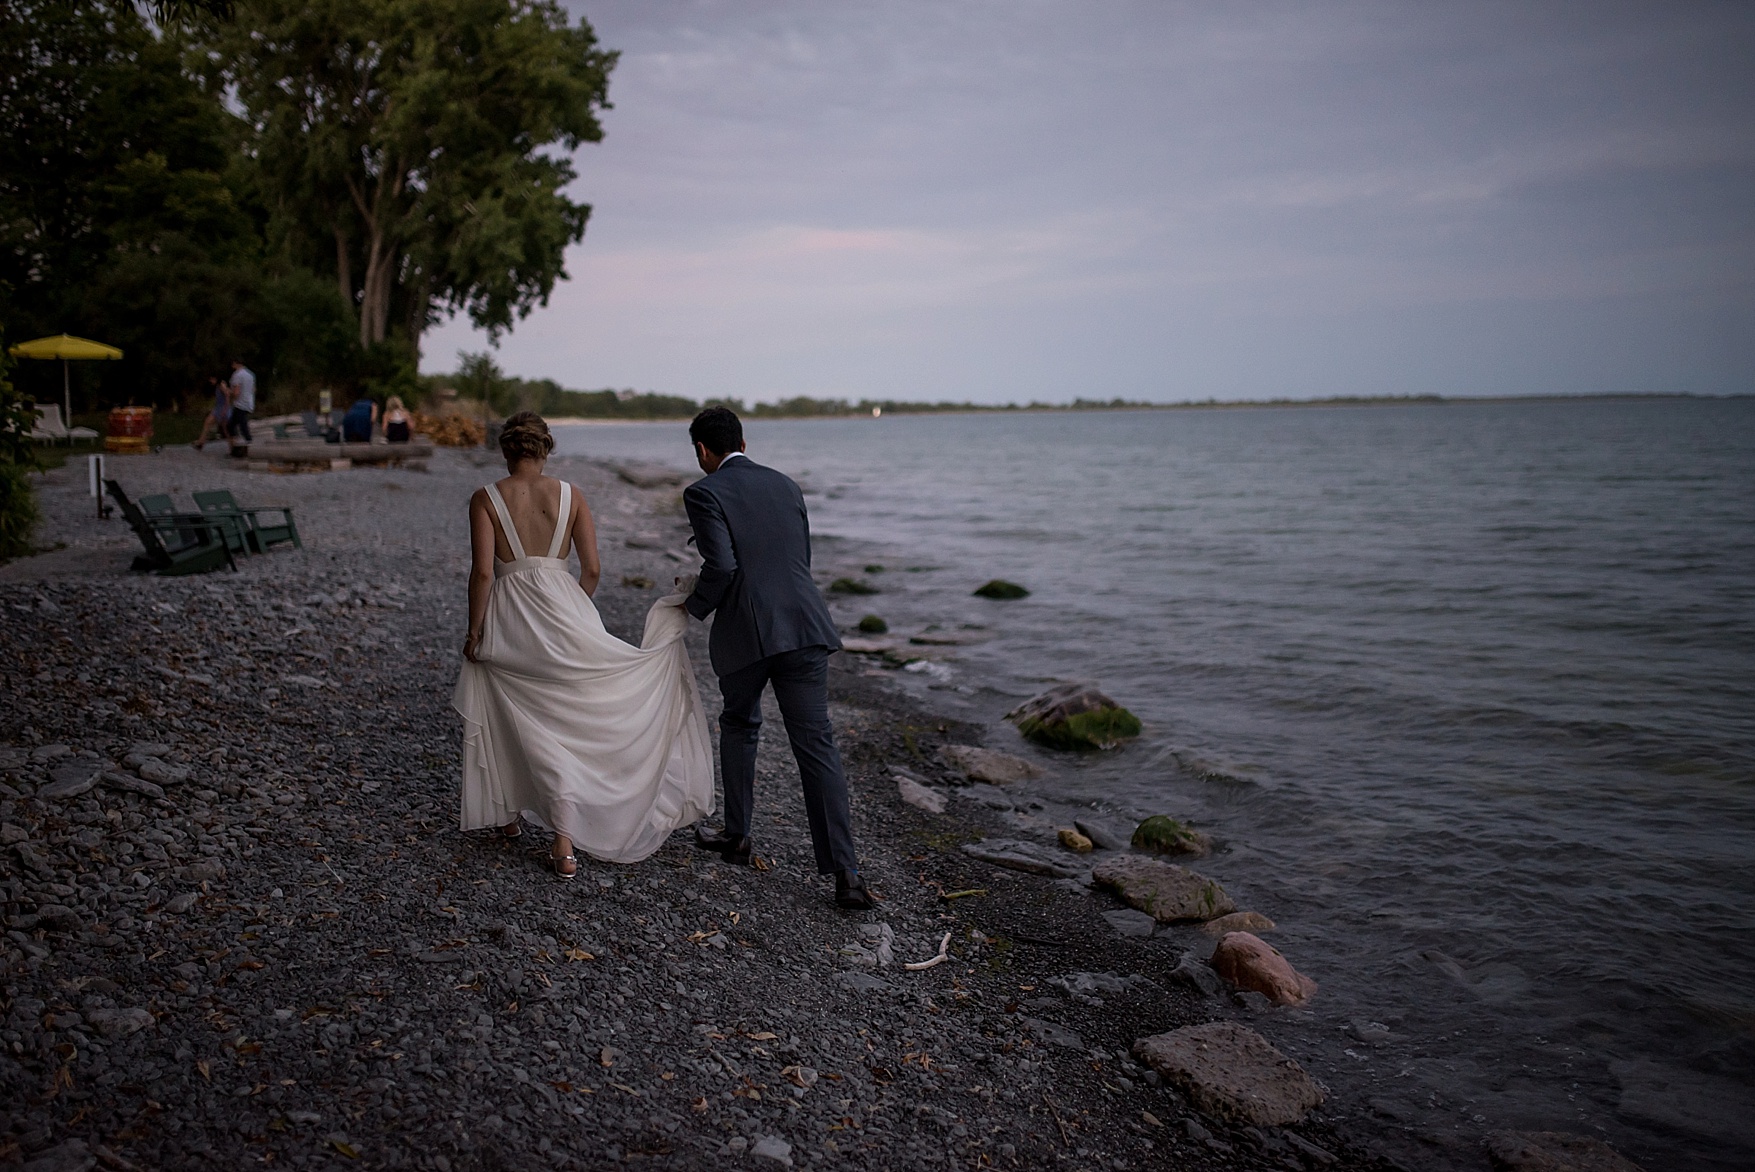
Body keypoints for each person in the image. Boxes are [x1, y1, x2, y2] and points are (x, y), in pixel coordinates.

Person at [452, 412, 713, 878]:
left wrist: (476, 631)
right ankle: (563, 843)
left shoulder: (485, 498)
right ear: (546, 448)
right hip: (565, 608)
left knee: (513, 705)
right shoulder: (571, 496)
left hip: (511, 613)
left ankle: (509, 813)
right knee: (565, 719)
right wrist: (571, 607)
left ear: (507, 451)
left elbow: (484, 573)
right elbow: (591, 568)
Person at [681, 406, 875, 910]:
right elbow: (798, 559)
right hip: (806, 625)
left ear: (703, 450)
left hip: (748, 633)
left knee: (740, 723)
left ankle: (737, 835)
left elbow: (721, 565)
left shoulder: (704, 492)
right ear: (742, 440)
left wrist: (692, 605)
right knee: (816, 746)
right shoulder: (787, 485)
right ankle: (848, 875)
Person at [192, 374, 230, 451]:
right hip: (217, 408)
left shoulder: (222, 385)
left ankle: (233, 446)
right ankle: (200, 442)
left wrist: (225, 409)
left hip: (222, 408)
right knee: (207, 422)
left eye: (212, 379)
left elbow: (227, 395)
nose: (211, 381)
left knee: (225, 429)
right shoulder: (217, 386)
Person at [226, 359, 255, 456]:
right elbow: (253, 389)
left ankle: (250, 446)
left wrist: (229, 392)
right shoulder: (250, 374)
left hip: (240, 404)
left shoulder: (237, 375)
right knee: (233, 425)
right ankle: (235, 449)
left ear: (235, 363)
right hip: (248, 402)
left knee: (240, 426)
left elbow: (236, 392)